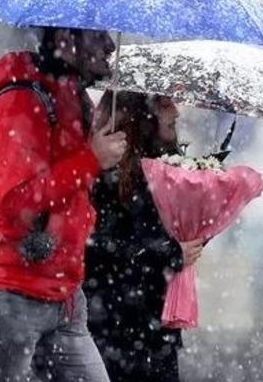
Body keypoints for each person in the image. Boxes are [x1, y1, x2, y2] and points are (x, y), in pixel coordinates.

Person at [0, 27, 127, 382]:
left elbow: (74, 194)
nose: (110, 45)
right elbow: (18, 202)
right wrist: (91, 159)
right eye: (98, 36)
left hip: (63, 297)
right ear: (66, 36)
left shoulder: (73, 100)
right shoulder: (20, 100)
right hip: (6, 294)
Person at [85, 90, 205, 382]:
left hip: (151, 324)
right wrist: (170, 253)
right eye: (167, 110)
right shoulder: (105, 171)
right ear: (144, 117)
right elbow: (99, 248)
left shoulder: (166, 169)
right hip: (114, 324)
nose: (176, 116)